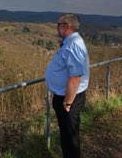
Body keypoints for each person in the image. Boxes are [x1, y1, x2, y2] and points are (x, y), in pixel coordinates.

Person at [45, 13, 89, 158]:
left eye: (58, 24)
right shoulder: (71, 42)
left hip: (69, 99)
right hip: (67, 97)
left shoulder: (73, 45)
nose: (56, 28)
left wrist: (67, 103)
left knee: (70, 138)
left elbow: (75, 77)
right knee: (68, 135)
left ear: (66, 27)